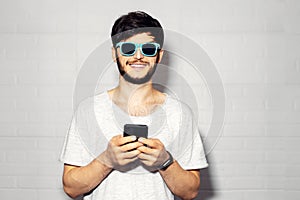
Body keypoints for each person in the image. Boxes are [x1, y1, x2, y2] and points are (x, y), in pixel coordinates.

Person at [60, 11, 208, 200]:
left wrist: (165, 162)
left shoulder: (180, 113)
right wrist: (107, 160)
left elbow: (190, 191)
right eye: (128, 48)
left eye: (148, 49)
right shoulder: (88, 111)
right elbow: (71, 188)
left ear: (159, 56)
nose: (138, 56)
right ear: (115, 54)